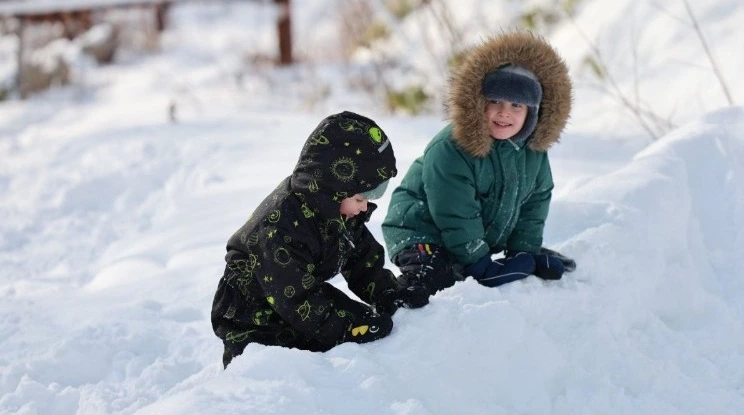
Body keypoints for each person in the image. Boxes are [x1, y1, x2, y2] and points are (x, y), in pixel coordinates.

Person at [211, 111, 429, 368]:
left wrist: (388, 293)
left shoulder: (335, 210)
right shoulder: (278, 231)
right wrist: (350, 324)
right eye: (360, 199)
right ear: (333, 186)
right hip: (254, 319)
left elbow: (361, 259)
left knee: (342, 336)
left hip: (295, 298)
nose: (364, 207)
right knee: (286, 370)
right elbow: (298, 298)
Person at [381, 30, 577, 294]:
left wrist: (523, 252)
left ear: (532, 113)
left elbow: (535, 202)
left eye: (517, 105)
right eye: (494, 100)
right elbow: (455, 211)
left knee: (468, 269)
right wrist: (479, 263)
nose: (504, 112)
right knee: (436, 280)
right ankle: (395, 304)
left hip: (469, 237)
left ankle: (467, 261)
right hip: (421, 231)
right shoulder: (453, 148)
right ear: (478, 102)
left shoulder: (533, 153)